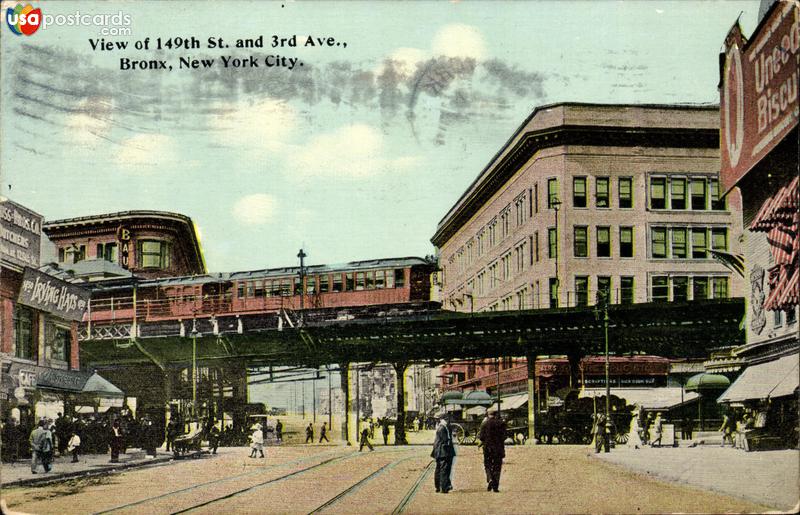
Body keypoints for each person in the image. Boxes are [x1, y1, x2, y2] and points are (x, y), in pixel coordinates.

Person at [479, 411, 507, 492]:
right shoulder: (501, 424)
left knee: (487, 465)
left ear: (488, 415)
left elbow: (481, 437)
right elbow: (504, 436)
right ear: (495, 415)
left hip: (488, 448)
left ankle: (490, 478)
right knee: (497, 467)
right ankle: (495, 487)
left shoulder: (484, 424)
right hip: (498, 449)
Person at [430, 417, 455, 493]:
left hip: (439, 451)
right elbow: (446, 440)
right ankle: (444, 487)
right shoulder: (443, 428)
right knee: (444, 469)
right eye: (448, 420)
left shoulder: (441, 427)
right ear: (445, 420)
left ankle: (438, 486)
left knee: (439, 469)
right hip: (443, 451)